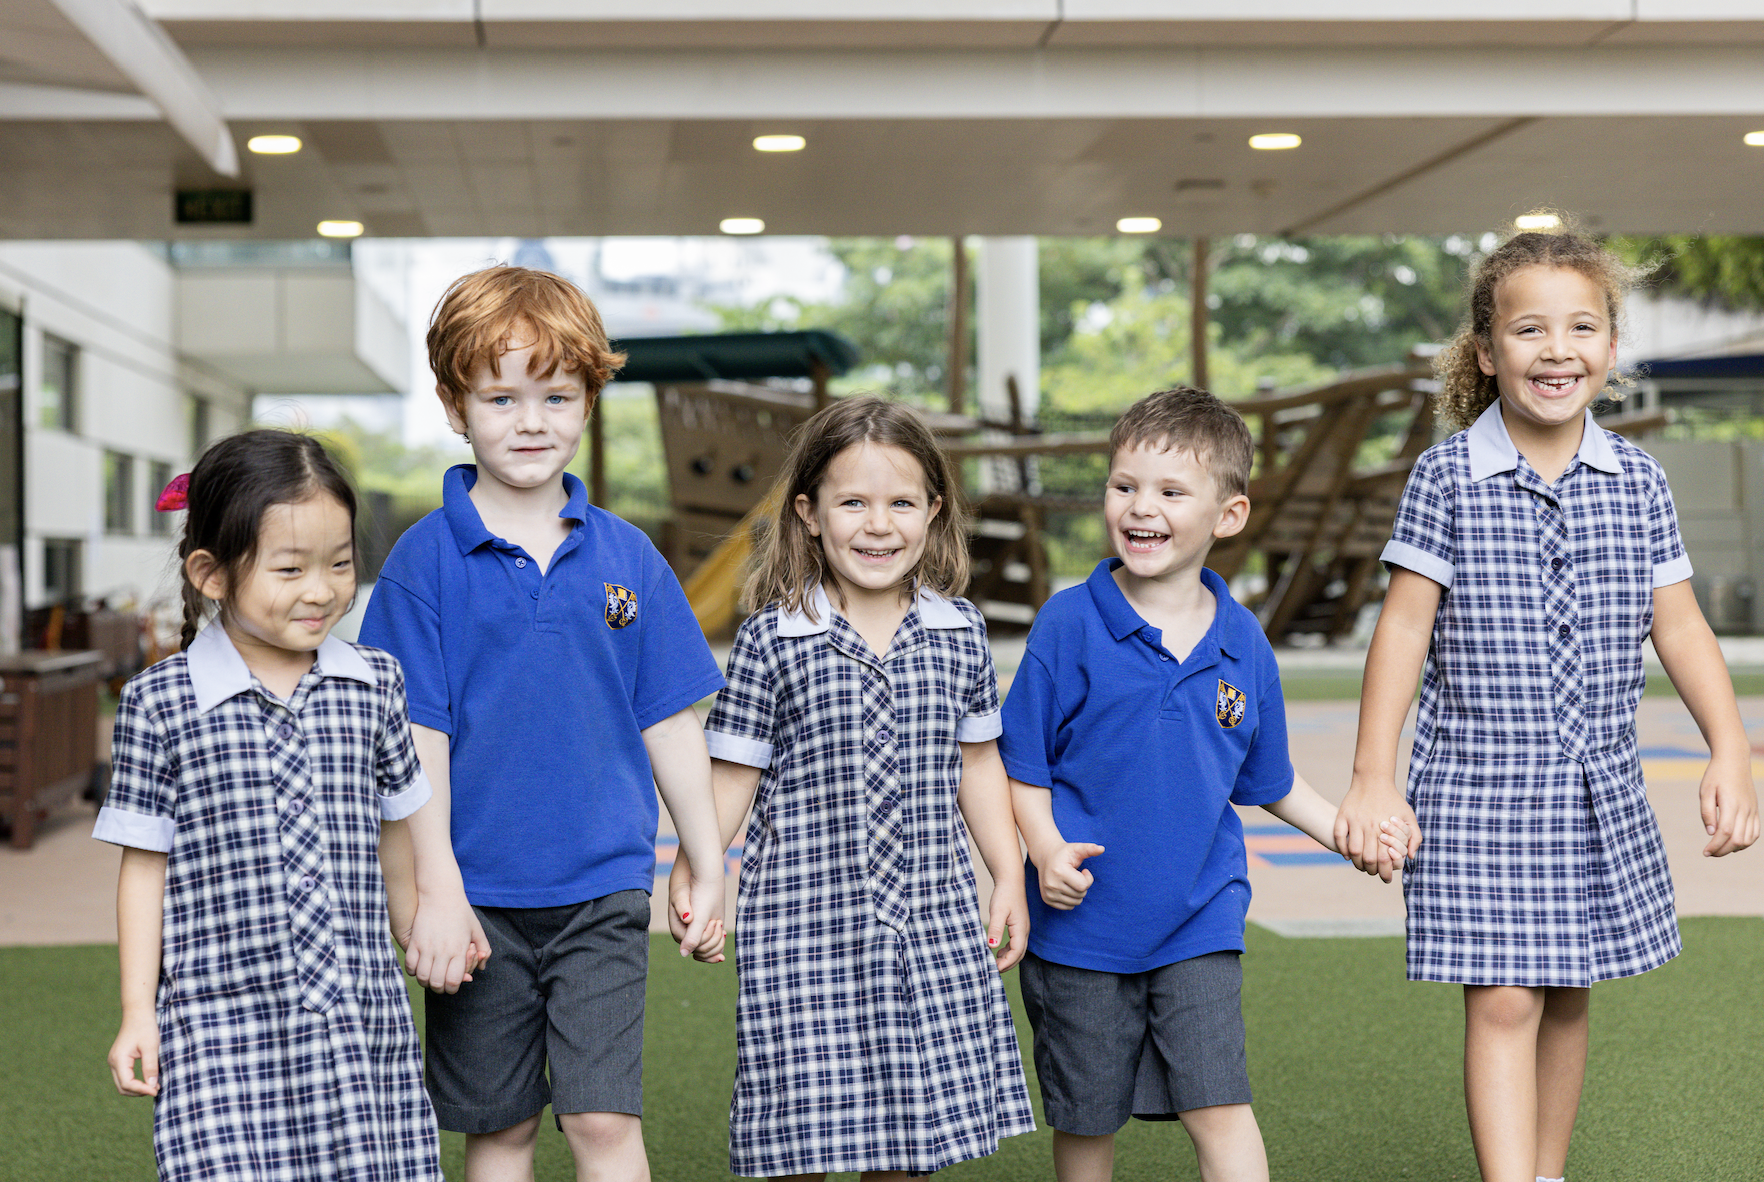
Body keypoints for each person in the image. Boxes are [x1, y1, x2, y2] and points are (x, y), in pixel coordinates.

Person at [1334, 227, 1759, 1182]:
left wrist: (1729, 749)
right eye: (1529, 329)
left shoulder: (1639, 480)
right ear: (1487, 353)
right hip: (1481, 784)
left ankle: (1544, 1172)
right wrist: (1372, 778)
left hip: (1596, 782)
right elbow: (1401, 631)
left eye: (1581, 327)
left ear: (1611, 348)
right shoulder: (1446, 477)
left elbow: (1681, 627)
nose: (1556, 348)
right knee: (1505, 1000)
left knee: (1569, 990)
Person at [359, 265, 729, 1182]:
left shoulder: (628, 555)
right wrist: (435, 892)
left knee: (605, 1124)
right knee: (504, 1130)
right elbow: (416, 745)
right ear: (455, 405)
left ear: (590, 401)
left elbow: (669, 719)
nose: (532, 421)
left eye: (558, 396)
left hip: (603, 892)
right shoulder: (422, 563)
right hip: (476, 898)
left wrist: (707, 857)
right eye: (502, 397)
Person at [998, 387, 1407, 1182]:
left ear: (1229, 515)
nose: (1140, 507)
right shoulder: (1069, 622)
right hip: (1080, 930)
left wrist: (1348, 835)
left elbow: (1271, 781)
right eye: (1124, 486)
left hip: (1200, 921)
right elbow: (1020, 765)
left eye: (1170, 491)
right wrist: (1044, 849)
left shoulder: (1243, 643)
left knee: (1220, 1105)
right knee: (1088, 1119)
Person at [668, 395, 1037, 1179]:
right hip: (802, 930)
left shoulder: (959, 631)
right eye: (853, 503)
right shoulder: (775, 638)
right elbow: (733, 772)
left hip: (926, 923)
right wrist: (699, 869)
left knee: (907, 1144)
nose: (879, 525)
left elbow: (977, 764)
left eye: (902, 502)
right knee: (798, 1136)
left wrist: (1007, 873)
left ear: (934, 513)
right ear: (808, 512)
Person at [98, 429, 444, 1181]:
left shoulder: (374, 683)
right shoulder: (161, 704)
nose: (321, 589)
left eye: (341, 564)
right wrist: (136, 1009)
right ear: (211, 574)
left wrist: (420, 926)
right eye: (290, 569)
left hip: (356, 1016)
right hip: (217, 1025)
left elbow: (397, 833)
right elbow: (143, 868)